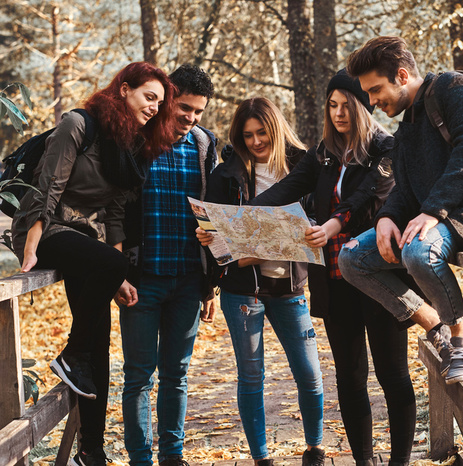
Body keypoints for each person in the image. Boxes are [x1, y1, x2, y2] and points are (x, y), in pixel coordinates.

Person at [247, 70, 416, 466]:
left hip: (380, 277)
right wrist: (241, 215)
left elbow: (366, 195)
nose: (339, 113)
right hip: (335, 281)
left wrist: (335, 222)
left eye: (347, 105)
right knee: (351, 378)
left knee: (392, 373)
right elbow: (287, 189)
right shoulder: (322, 153)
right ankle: (364, 461)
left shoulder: (386, 150)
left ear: (363, 105)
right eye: (332, 105)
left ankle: (400, 462)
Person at [10, 61, 175, 466]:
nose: (155, 107)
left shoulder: (131, 148)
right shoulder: (78, 125)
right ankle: (70, 355)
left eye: (160, 102)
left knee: (98, 341)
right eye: (148, 96)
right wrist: (31, 244)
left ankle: (92, 451)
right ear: (123, 90)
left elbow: (115, 214)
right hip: (44, 227)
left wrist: (116, 272)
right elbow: (48, 187)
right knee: (85, 348)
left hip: (85, 239)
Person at [338, 36, 463, 384]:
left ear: (402, 76)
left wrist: (433, 210)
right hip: (437, 220)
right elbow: (404, 189)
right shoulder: (408, 125)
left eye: (375, 91)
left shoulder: (455, 87)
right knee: (351, 258)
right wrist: (387, 218)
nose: (371, 103)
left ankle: (461, 344)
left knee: (419, 252)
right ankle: (438, 330)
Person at [196, 97, 326, 466]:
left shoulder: (305, 167)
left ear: (277, 129)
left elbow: (312, 225)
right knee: (251, 377)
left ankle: (315, 448)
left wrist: (256, 247)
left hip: (290, 288)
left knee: (310, 374)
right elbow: (219, 235)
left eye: (262, 132)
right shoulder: (227, 174)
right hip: (242, 291)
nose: (255, 141)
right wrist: (210, 239)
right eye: (248, 135)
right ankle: (261, 458)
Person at [118, 64, 218, 466]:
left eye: (198, 112)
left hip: (189, 282)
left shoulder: (203, 146)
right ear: (167, 98)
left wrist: (211, 282)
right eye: (185, 109)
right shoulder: (132, 141)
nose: (190, 118)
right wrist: (117, 272)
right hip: (141, 281)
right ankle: (140, 458)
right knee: (138, 377)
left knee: (176, 376)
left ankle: (172, 456)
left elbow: (212, 215)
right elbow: (114, 209)